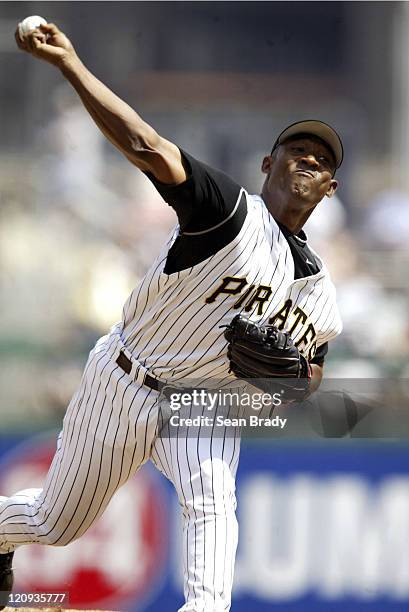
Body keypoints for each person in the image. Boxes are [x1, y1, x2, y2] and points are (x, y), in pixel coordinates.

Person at [2, 22, 343, 612]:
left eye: (321, 160)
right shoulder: (228, 211)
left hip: (202, 405)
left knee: (212, 514)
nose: (308, 161)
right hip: (126, 377)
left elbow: (310, 374)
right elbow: (146, 145)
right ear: (269, 162)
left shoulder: (319, 289)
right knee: (56, 523)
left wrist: (295, 380)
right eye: (298, 151)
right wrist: (72, 66)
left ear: (331, 187)